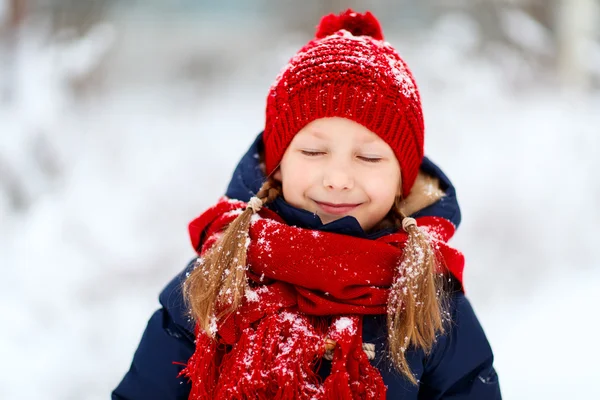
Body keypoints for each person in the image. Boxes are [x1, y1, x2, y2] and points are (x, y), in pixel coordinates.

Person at [113, 9, 501, 400]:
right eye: (314, 151)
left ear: (403, 179)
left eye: (367, 158)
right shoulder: (220, 274)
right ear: (277, 164)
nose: (337, 177)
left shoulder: (425, 296)